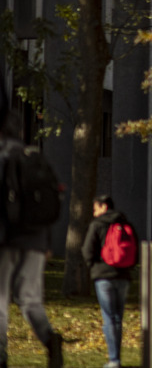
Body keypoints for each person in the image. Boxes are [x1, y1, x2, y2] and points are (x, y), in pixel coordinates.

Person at [0, 127, 62, 368]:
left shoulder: (3, 157)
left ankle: (2, 357)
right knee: (31, 300)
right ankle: (50, 340)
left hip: (6, 240)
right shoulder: (34, 157)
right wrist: (45, 243)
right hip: (35, 241)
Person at [82, 195, 138, 368]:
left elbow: (87, 250)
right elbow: (136, 250)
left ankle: (114, 360)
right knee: (117, 318)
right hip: (123, 277)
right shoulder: (125, 223)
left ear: (103, 207)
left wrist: (93, 267)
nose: (94, 212)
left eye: (95, 208)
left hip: (103, 276)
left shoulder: (97, 225)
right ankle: (116, 358)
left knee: (109, 318)